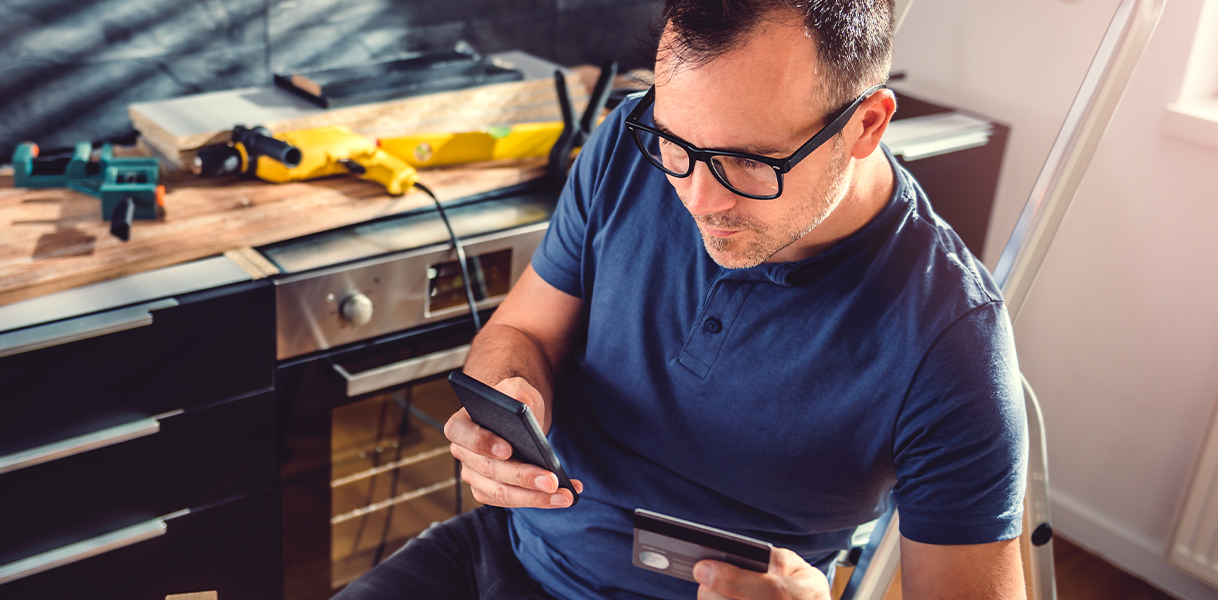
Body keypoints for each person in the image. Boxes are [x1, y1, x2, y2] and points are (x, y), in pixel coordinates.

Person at [335, 0, 1029, 598]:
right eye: (676, 144)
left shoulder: (951, 344)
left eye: (750, 161)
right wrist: (506, 397)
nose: (700, 199)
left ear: (867, 125)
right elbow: (524, 330)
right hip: (508, 553)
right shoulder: (626, 145)